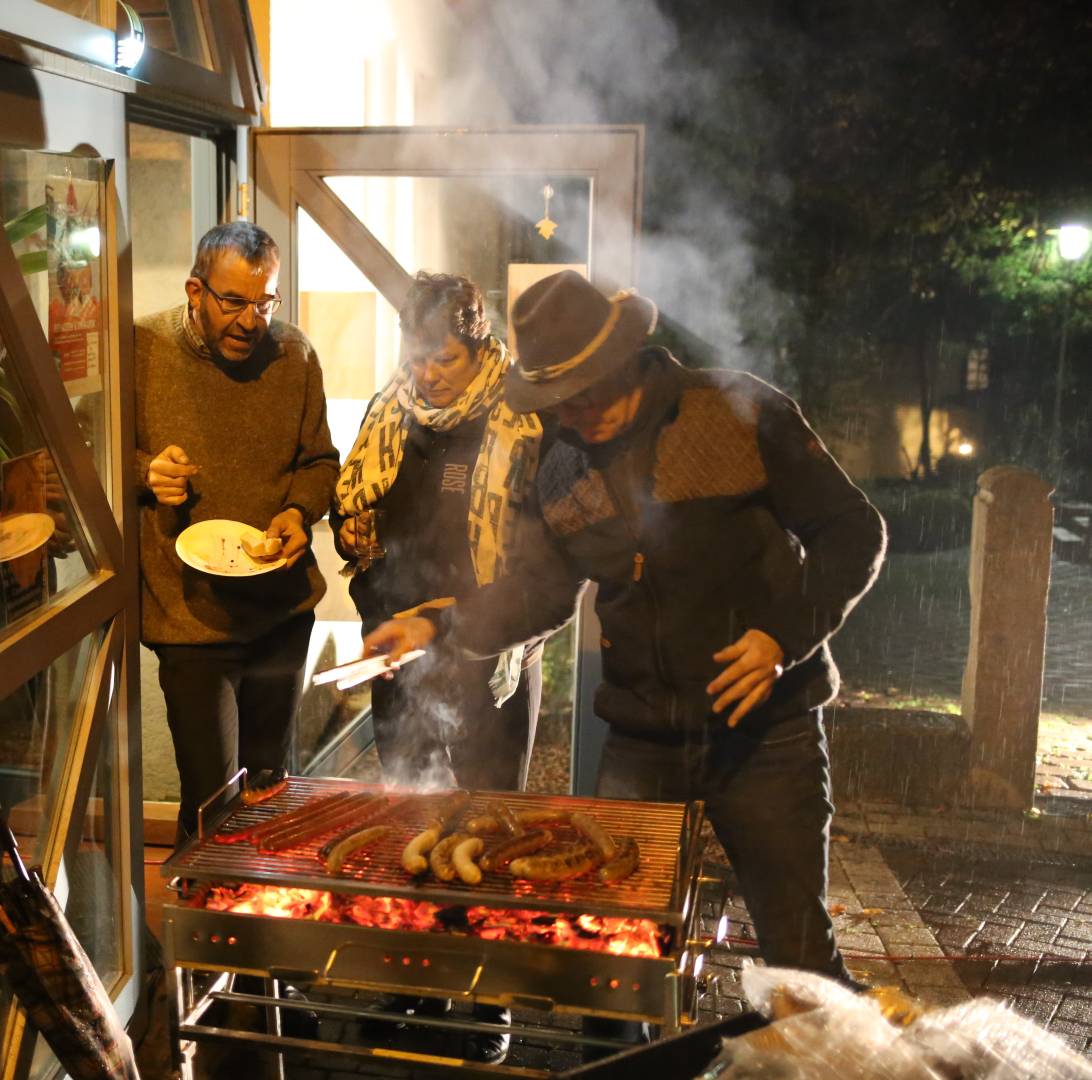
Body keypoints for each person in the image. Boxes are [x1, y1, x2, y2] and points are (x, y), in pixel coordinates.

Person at [365, 271, 886, 1039]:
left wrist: (782, 634)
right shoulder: (562, 458)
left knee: (801, 958)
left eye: (587, 391)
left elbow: (854, 531)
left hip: (765, 731)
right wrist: (438, 624)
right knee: (610, 964)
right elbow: (540, 589)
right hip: (644, 740)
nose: (576, 414)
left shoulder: (738, 410)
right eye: (558, 400)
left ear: (631, 357)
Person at [136, 221, 339, 838]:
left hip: (280, 608)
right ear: (195, 290)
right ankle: (200, 924)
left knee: (269, 787)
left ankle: (259, 923)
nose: (252, 321)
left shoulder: (295, 355)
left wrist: (300, 512)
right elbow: (90, 455)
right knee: (210, 797)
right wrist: (144, 473)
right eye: (234, 302)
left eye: (265, 301)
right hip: (189, 614)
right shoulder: (141, 349)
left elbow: (321, 461)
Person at [332, 272, 544, 791]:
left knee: (489, 822)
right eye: (417, 357)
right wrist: (349, 531)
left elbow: (548, 559)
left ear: (478, 347)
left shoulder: (525, 420)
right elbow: (351, 505)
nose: (427, 375)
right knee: (408, 816)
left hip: (483, 649)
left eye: (444, 359)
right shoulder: (389, 411)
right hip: (398, 648)